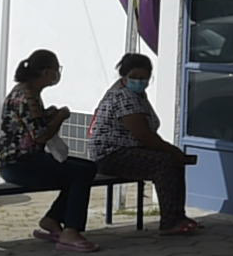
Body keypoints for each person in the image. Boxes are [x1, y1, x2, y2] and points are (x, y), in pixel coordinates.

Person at [85, 50, 201, 235]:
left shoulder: (138, 95)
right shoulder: (123, 96)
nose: (140, 81)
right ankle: (170, 221)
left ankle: (178, 216)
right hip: (111, 155)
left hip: (127, 150)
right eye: (135, 77)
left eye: (144, 78)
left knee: (173, 161)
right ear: (124, 76)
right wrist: (172, 150)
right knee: (164, 163)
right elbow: (143, 134)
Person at [0, 48, 98, 252]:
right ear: (45, 72)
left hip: (29, 160)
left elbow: (33, 124)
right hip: (20, 165)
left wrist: (49, 114)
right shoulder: (26, 96)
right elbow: (40, 135)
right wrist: (59, 117)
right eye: (56, 69)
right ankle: (70, 231)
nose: (57, 74)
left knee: (85, 168)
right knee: (80, 173)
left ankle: (52, 219)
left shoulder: (28, 92)